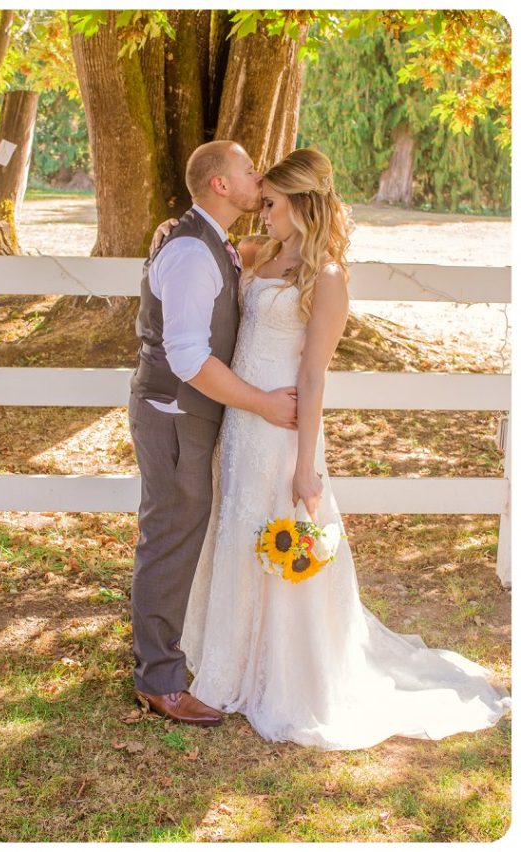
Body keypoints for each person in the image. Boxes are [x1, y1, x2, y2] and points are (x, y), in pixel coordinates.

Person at [177, 147, 511, 748]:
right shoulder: (264, 253)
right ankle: (225, 659)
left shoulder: (326, 278)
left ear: (301, 206)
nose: (263, 212)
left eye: (273, 203)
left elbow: (313, 378)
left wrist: (306, 467)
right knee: (234, 530)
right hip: (242, 424)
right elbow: (210, 247)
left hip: (283, 435)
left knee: (275, 538)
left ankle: (285, 673)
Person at [128, 140, 299, 726]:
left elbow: (247, 253)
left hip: (188, 416)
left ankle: (164, 661)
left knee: (179, 532)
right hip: (175, 413)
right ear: (221, 186)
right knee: (170, 536)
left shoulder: (210, 242)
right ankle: (158, 681)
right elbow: (187, 357)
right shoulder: (190, 254)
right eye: (249, 171)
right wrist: (263, 404)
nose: (259, 177)